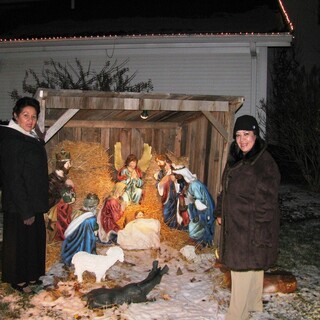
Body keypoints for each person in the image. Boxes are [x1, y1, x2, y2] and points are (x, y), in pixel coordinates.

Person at [215, 115, 281, 320]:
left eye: (247, 134)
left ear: (255, 135)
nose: (242, 139)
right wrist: (220, 211)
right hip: (236, 223)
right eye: (238, 135)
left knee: (240, 268)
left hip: (251, 227)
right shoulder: (236, 157)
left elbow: (268, 202)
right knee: (250, 265)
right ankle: (254, 303)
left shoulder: (264, 163)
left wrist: (255, 230)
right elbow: (225, 190)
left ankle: (237, 315)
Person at [0, 97, 49, 293]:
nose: (30, 120)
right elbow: (13, 177)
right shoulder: (12, 139)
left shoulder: (27, 136)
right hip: (21, 204)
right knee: (19, 243)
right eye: (25, 115)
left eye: (33, 117)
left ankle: (32, 275)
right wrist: (25, 210)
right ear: (15, 115)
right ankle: (18, 279)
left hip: (32, 201)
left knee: (32, 242)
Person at [172, 167, 215, 246]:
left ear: (183, 176)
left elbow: (199, 200)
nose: (177, 178)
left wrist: (194, 205)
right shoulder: (188, 185)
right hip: (196, 210)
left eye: (178, 176)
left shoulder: (194, 185)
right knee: (193, 227)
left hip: (203, 211)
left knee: (199, 228)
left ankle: (202, 244)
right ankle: (197, 242)